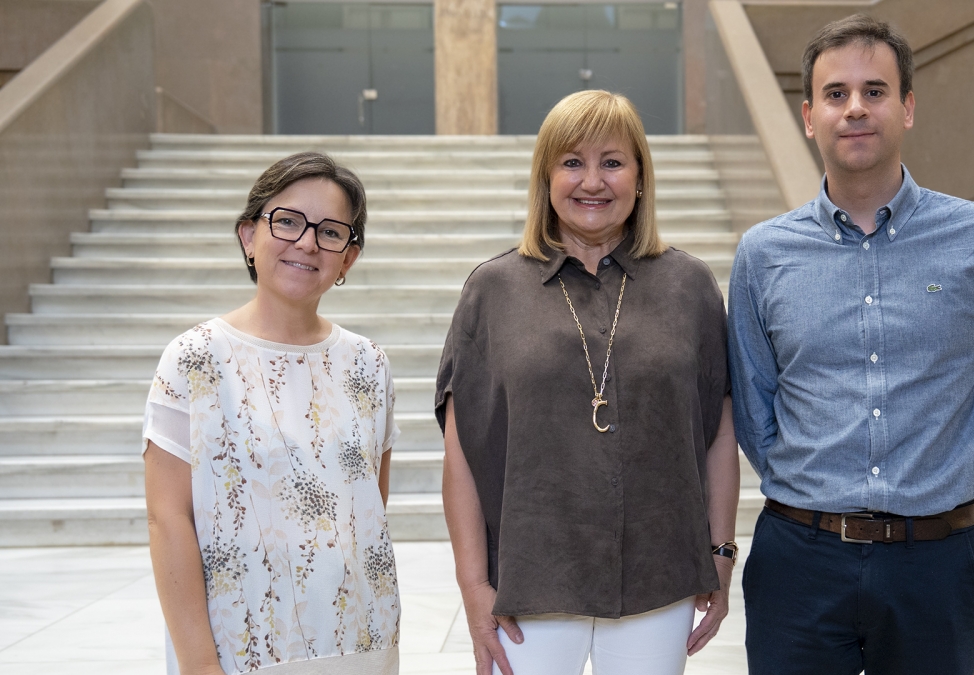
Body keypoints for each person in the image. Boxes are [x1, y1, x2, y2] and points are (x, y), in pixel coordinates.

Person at [727, 14, 974, 675]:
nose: (855, 109)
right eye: (836, 95)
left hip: (937, 562)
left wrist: (949, 485)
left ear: (907, 107)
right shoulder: (763, 254)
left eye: (874, 90)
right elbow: (755, 408)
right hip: (800, 561)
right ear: (809, 116)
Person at [436, 89, 740, 675]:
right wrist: (474, 587)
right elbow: (461, 455)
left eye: (613, 161)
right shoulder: (492, 290)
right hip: (529, 585)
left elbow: (718, 432)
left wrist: (721, 554)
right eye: (572, 162)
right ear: (545, 178)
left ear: (641, 177)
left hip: (659, 577)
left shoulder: (690, 286)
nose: (592, 182)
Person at [143, 152, 400, 675]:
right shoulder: (194, 359)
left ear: (347, 258)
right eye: (286, 221)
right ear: (248, 236)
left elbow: (369, 504)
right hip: (242, 651)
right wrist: (199, 663)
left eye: (331, 232)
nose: (307, 242)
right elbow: (168, 521)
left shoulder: (369, 364)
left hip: (362, 642)